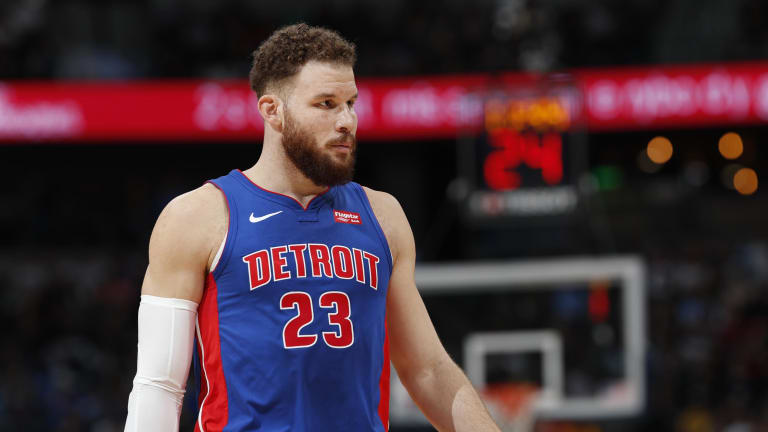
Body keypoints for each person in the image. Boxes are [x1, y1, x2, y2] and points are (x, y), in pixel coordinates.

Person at [124, 23, 501, 432]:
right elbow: (159, 385)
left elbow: (427, 369)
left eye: (351, 103)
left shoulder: (383, 215)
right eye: (326, 104)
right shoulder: (199, 216)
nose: (347, 121)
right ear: (272, 110)